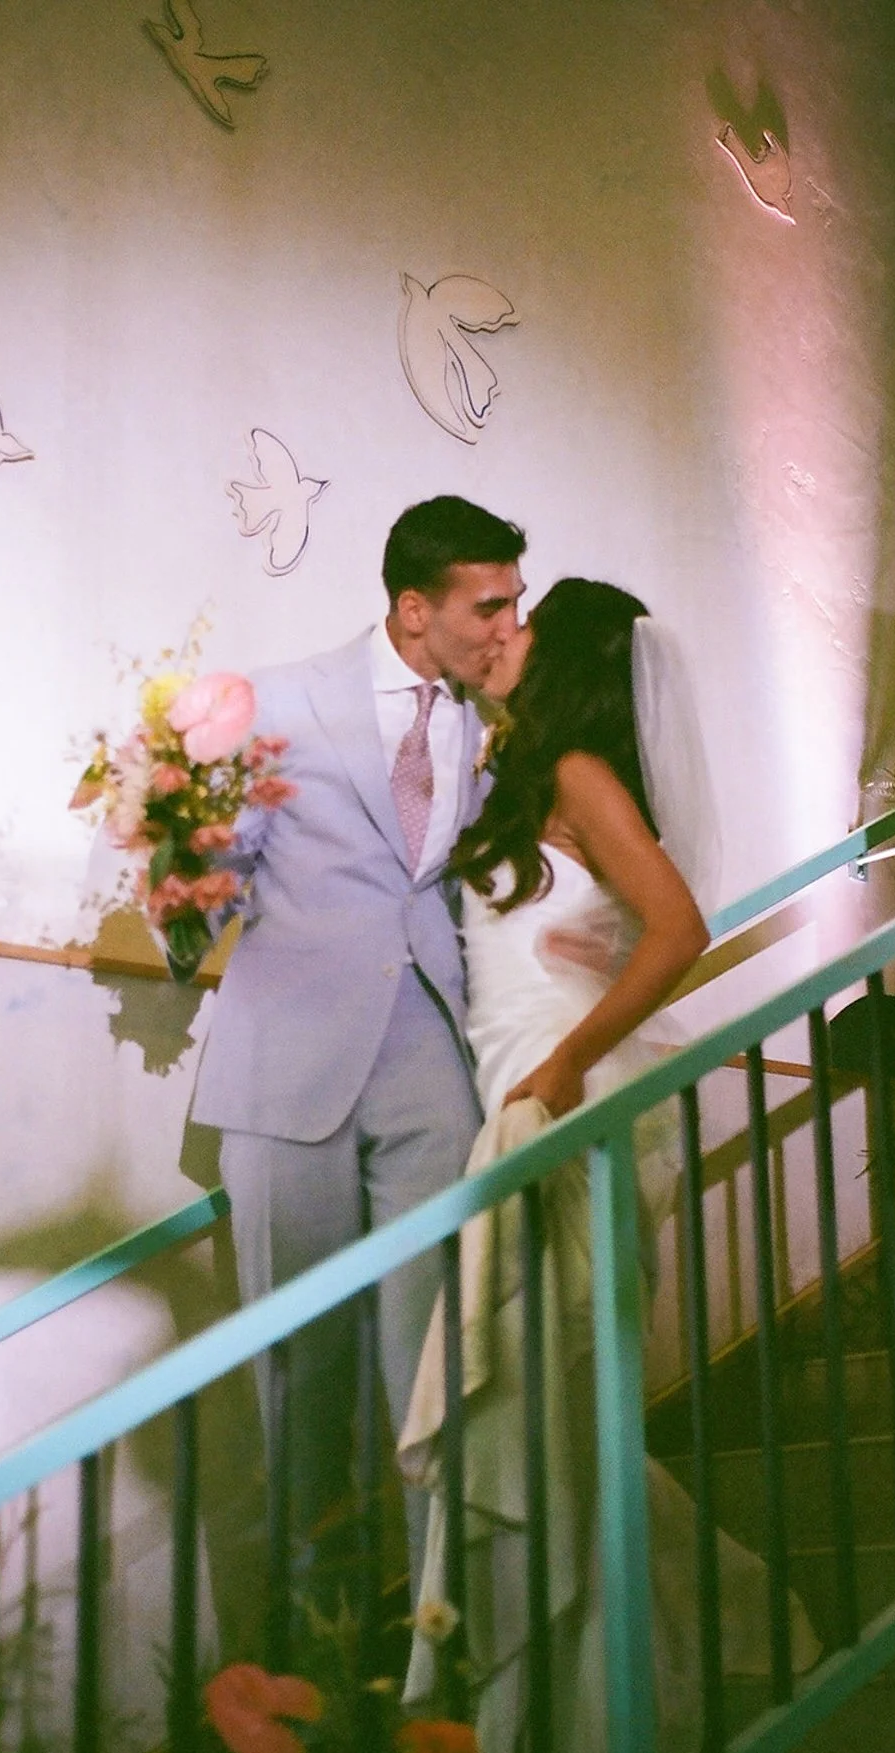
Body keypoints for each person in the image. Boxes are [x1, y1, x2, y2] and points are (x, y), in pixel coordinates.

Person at [398, 579, 820, 1753]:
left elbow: (679, 925)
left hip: (561, 1109)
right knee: (542, 1432)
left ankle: (567, 1737)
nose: (503, 635)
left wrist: (573, 1056)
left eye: (525, 623)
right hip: (516, 1092)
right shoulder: (523, 776)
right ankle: (551, 1719)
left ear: (569, 654)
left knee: (548, 1419)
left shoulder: (582, 770)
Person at [190, 494, 526, 1607]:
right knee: (299, 1381)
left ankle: (451, 1652)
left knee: (439, 1373)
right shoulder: (273, 700)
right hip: (287, 1070)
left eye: (513, 601)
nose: (506, 626)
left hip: (436, 1064)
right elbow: (201, 884)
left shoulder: (501, 724)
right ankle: (315, 1665)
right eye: (489, 604)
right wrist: (171, 866)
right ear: (414, 607)